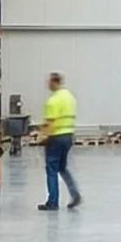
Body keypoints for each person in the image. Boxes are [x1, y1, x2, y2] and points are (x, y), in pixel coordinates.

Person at [39, 71, 82, 211]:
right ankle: (74, 193)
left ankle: (52, 202)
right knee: (62, 168)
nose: (48, 84)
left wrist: (44, 137)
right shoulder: (69, 97)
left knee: (51, 169)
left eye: (49, 81)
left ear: (54, 82)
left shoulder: (53, 100)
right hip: (68, 136)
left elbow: (51, 123)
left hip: (56, 137)